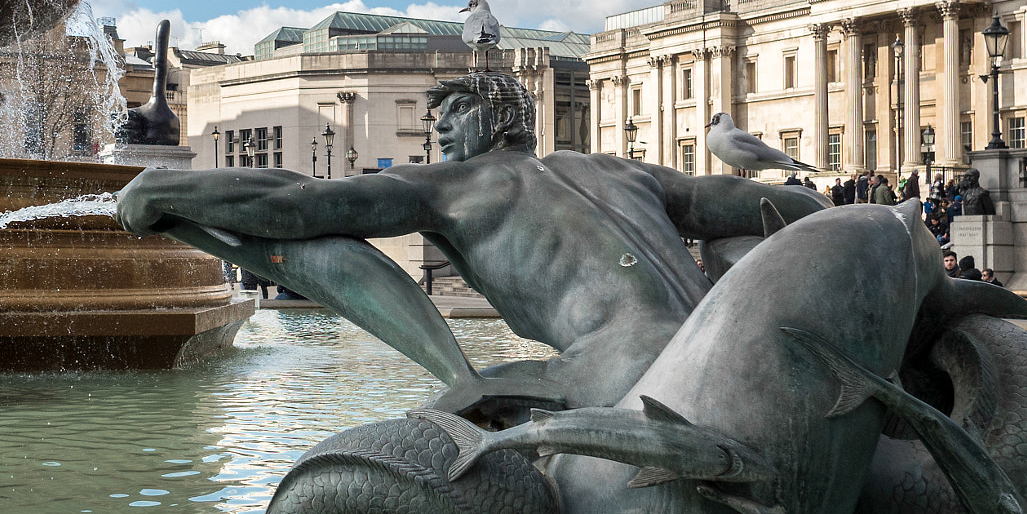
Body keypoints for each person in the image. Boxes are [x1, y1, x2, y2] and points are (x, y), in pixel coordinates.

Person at [118, 69, 830, 415]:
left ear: (497, 115)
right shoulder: (625, 171)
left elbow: (296, 204)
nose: (440, 131)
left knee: (422, 439)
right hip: (724, 356)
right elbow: (782, 203)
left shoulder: (452, 187)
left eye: (455, 112)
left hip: (623, 375)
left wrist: (161, 191)